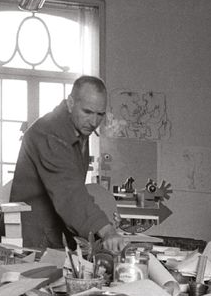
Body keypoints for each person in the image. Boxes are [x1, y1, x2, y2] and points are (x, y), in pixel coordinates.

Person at [11, 76, 127, 252]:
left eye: (100, 114)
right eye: (87, 112)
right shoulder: (51, 134)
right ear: (71, 103)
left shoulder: (78, 130)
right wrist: (106, 231)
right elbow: (69, 192)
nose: (94, 122)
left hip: (53, 235)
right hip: (31, 240)